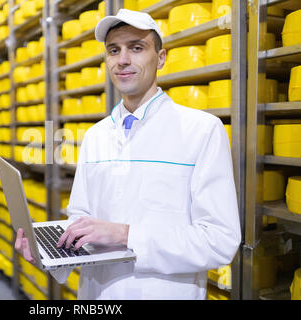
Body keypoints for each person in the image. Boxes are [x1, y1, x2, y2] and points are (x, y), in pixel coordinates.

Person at [15, 9, 241, 299]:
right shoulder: (96, 135)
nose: (122, 60)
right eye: (113, 50)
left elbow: (219, 241)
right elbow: (81, 218)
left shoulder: (202, 131)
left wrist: (126, 235)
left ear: (160, 57)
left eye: (136, 47)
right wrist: (50, 254)